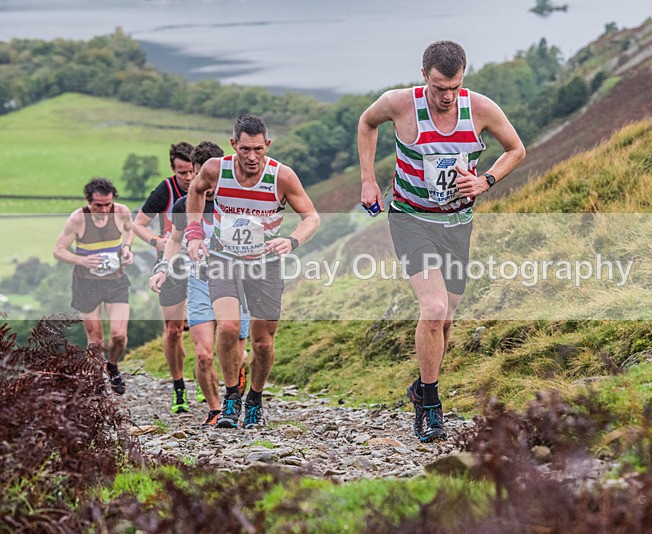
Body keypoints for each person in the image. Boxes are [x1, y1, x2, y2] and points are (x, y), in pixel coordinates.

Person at [357, 40, 526, 442]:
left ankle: (421, 385)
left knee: (446, 319)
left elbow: (516, 149)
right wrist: (368, 179)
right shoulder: (399, 103)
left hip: (456, 222)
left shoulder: (480, 108)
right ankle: (431, 405)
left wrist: (485, 180)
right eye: (438, 88)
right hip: (410, 218)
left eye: (454, 87)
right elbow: (366, 123)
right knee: (433, 309)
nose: (447, 96)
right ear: (424, 77)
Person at [186, 114, 320, 429]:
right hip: (223, 257)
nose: (251, 157)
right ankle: (232, 395)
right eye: (245, 149)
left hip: (265, 263)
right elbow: (195, 191)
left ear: (267, 146)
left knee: (262, 342)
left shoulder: (282, 177)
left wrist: (291, 240)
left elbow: (312, 217)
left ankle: (255, 398)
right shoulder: (215, 170)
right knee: (229, 327)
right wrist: (194, 234)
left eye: (258, 149)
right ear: (233, 145)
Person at [149, 141, 251, 428]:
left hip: (236, 284)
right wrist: (163, 268)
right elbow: (175, 241)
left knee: (237, 354)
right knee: (205, 355)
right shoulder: (184, 205)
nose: (205, 183)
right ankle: (216, 409)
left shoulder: (238, 201)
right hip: (200, 284)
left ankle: (237, 381)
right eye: (197, 174)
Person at [53, 177, 135, 394]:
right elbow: (58, 250)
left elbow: (131, 229)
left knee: (118, 335)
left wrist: (127, 248)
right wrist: (82, 260)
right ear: (88, 201)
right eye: (98, 205)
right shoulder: (77, 219)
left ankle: (113, 365)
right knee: (96, 341)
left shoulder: (121, 211)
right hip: (86, 283)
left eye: (108, 204)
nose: (104, 209)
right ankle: (97, 382)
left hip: (116, 281)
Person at [133, 142, 195, 413]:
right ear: (173, 169)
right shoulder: (165, 190)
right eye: (182, 172)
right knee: (173, 330)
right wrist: (157, 242)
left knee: (210, 326)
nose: (189, 177)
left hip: (204, 265)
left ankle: (210, 381)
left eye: (192, 170)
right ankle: (178, 388)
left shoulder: (209, 187)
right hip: (170, 263)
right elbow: (138, 224)